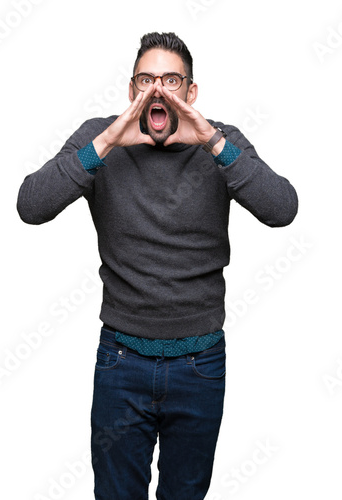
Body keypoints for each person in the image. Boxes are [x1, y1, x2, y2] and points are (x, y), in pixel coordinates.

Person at [17, 32, 298, 500]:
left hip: (200, 365)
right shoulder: (99, 140)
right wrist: (107, 141)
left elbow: (282, 208)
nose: (158, 91)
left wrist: (211, 141)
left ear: (190, 92)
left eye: (171, 80)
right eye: (146, 80)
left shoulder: (221, 143)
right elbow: (31, 205)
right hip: (121, 363)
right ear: (132, 93)